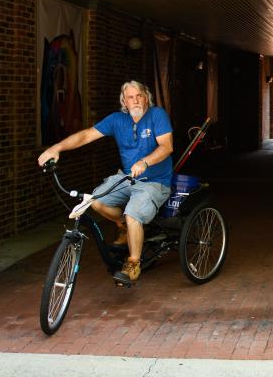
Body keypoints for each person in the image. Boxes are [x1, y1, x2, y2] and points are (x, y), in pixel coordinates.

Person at [37, 80, 173, 285]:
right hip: (127, 178)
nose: (136, 100)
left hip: (155, 182)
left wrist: (145, 161)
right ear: (124, 102)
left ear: (147, 97)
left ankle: (133, 263)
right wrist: (57, 148)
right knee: (96, 201)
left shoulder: (157, 115)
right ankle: (125, 228)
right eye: (130, 97)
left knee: (132, 213)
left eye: (139, 96)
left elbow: (166, 146)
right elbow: (85, 136)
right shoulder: (117, 120)